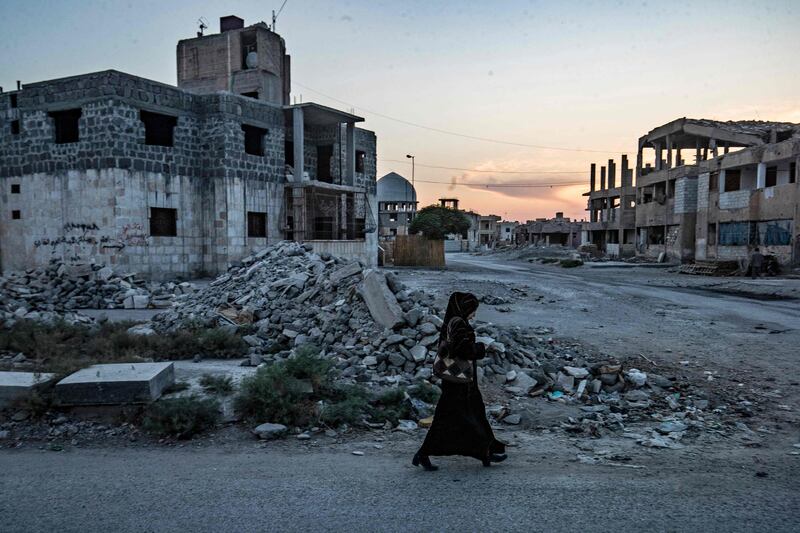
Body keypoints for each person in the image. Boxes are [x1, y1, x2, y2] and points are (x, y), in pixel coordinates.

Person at [412, 292, 507, 471]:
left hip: (460, 380)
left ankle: (485, 451)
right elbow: (462, 350)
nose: (473, 315)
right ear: (465, 309)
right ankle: (424, 453)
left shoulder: (453, 321)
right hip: (459, 382)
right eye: (472, 311)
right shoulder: (459, 324)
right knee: (455, 418)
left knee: (473, 414)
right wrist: (482, 348)